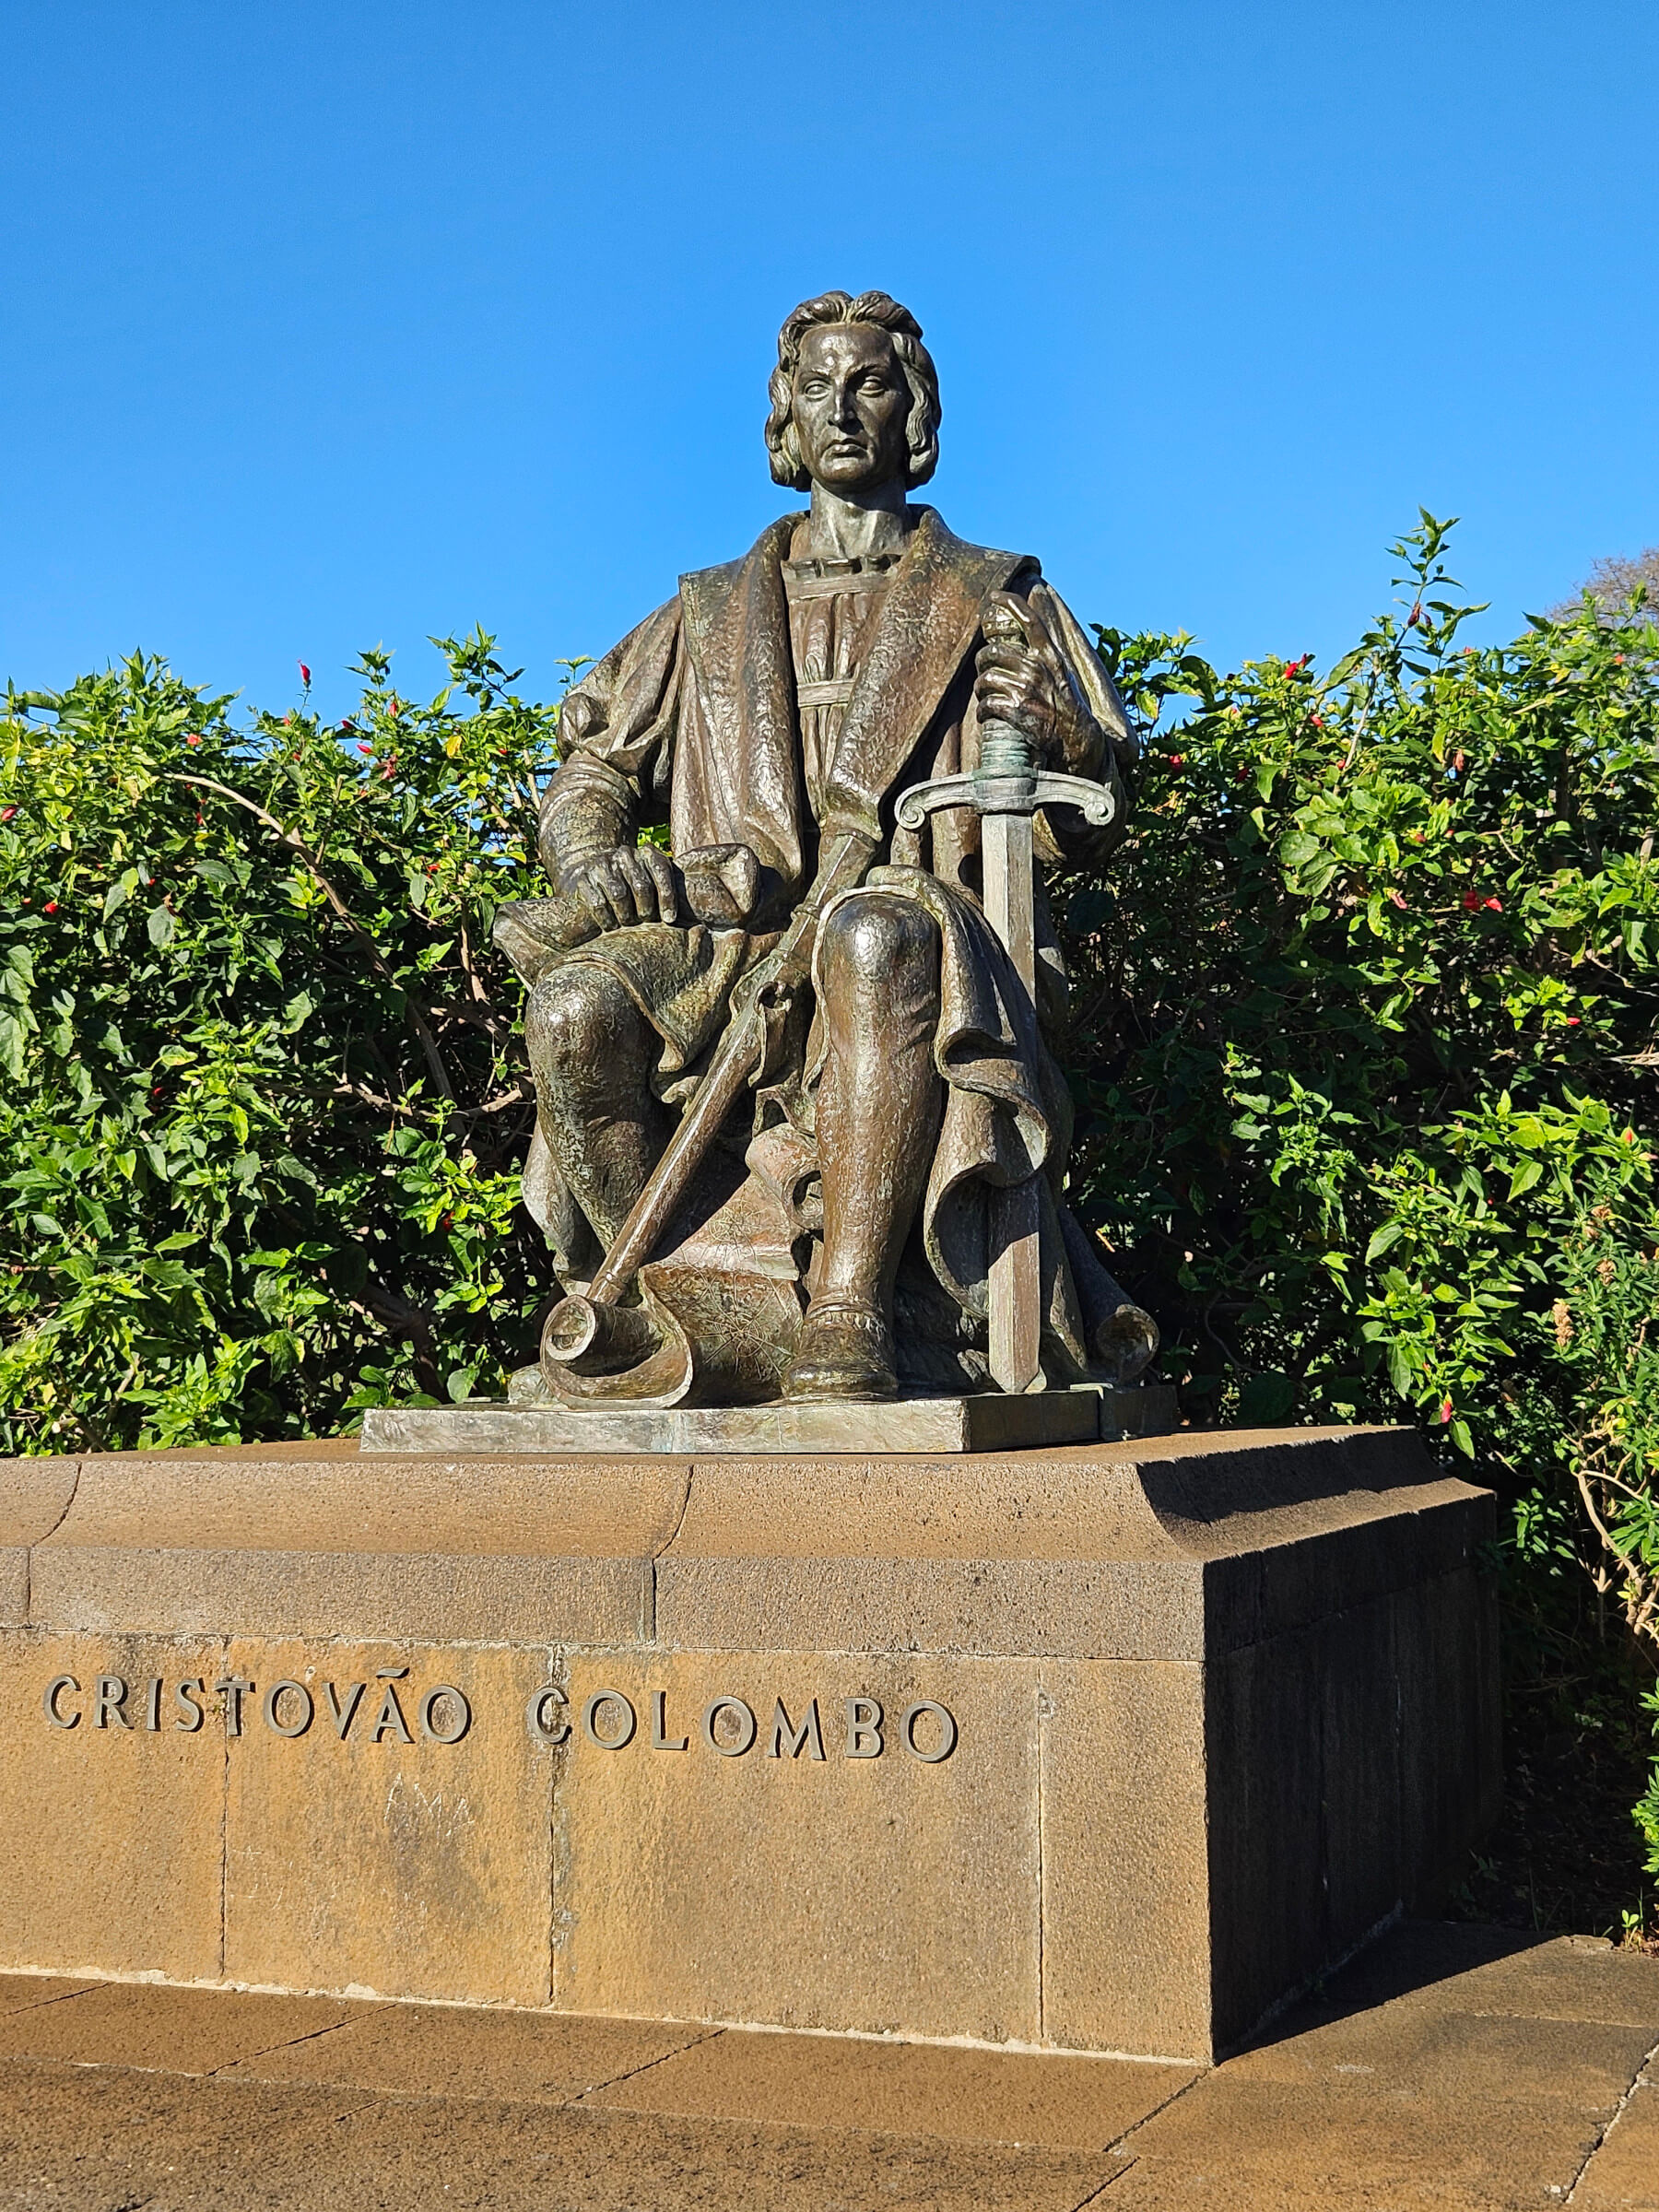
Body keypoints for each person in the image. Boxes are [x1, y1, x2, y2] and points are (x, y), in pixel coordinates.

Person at [496, 289, 1155, 1405]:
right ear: (785, 424)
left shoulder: (995, 596)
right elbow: (591, 771)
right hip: (729, 935)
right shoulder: (705, 613)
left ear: (915, 414)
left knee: (873, 935)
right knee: (573, 1010)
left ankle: (850, 1314)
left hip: (928, 924)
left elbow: (1093, 801)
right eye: (816, 388)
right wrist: (592, 858)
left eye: (871, 384)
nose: (842, 409)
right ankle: (681, 1302)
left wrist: (1065, 731)